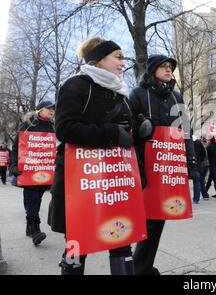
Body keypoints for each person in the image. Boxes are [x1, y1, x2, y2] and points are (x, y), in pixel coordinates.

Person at [47, 37, 135, 275]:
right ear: (99, 59)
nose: (123, 63)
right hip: (80, 185)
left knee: (121, 240)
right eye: (118, 57)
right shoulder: (75, 85)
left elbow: (126, 130)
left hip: (114, 183)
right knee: (77, 246)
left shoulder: (120, 91)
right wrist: (111, 134)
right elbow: (64, 129)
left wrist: (139, 129)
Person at [130, 54, 198, 275]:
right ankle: (140, 267)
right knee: (148, 219)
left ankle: (144, 266)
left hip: (169, 165)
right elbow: (127, 127)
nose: (169, 70)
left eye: (171, 67)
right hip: (145, 164)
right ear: (152, 70)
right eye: (164, 67)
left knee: (159, 218)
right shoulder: (138, 94)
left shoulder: (176, 97)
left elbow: (185, 131)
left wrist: (191, 161)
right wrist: (139, 126)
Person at [9, 101, 55, 246]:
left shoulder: (53, 127)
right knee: (32, 199)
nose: (52, 111)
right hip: (29, 171)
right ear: (40, 110)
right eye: (49, 108)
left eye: (53, 109)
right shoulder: (28, 126)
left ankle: (29, 226)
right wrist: (14, 166)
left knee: (37, 199)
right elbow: (16, 148)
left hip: (45, 171)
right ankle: (35, 230)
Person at [192, 134, 209, 203]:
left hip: (196, 165)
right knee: (200, 181)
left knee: (197, 181)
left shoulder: (189, 142)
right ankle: (203, 196)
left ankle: (197, 198)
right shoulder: (199, 143)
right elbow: (203, 154)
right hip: (200, 164)